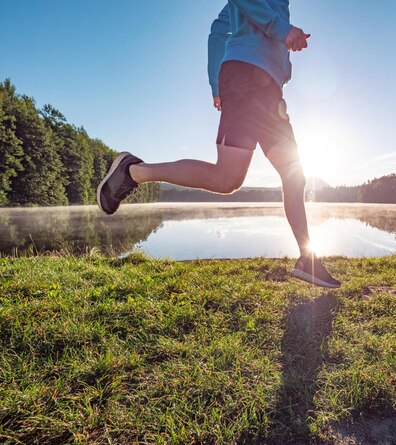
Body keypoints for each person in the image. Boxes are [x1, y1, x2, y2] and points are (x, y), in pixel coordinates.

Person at [97, 0, 341, 288]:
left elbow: (218, 29)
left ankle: (307, 260)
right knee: (241, 176)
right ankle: (133, 172)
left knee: (282, 175)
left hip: (266, 87)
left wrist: (223, 80)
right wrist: (282, 30)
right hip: (247, 76)